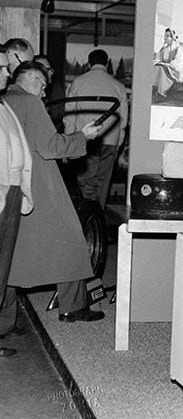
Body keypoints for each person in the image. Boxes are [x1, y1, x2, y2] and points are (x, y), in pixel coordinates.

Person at [4, 61, 104, 323]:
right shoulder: (30, 103)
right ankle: (73, 306)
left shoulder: (5, 101)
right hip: (39, 184)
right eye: (44, 85)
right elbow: (51, 147)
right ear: (32, 78)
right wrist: (83, 136)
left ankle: (6, 321)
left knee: (10, 251)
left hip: (11, 186)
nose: (45, 93)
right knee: (71, 239)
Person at [63, 49, 129, 207]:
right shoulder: (118, 86)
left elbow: (70, 114)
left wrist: (70, 140)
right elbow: (124, 119)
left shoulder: (78, 82)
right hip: (110, 140)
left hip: (84, 139)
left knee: (87, 180)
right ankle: (97, 214)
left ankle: (88, 214)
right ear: (106, 63)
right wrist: (118, 142)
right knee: (103, 181)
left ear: (89, 62)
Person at [0, 46, 33, 356]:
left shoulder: (3, 103)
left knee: (2, 268)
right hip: (1, 192)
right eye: (0, 68)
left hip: (9, 193)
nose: (6, 73)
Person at [153, 28, 183, 100]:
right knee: (157, 67)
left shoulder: (177, 50)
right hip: (164, 68)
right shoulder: (163, 49)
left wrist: (167, 65)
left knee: (161, 68)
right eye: (165, 35)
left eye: (168, 36)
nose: (165, 37)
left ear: (173, 38)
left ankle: (161, 93)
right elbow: (157, 59)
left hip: (173, 72)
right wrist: (159, 62)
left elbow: (177, 65)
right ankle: (154, 89)